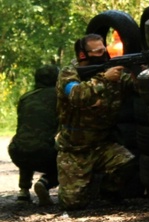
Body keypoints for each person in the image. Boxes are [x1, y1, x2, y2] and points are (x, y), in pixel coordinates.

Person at [56, 33, 140, 210]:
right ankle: (84, 185)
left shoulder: (111, 70)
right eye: (97, 51)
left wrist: (138, 73)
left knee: (127, 163)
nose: (102, 54)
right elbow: (76, 95)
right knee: (72, 204)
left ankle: (106, 191)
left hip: (102, 145)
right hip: (74, 150)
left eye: (104, 49)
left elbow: (136, 88)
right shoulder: (69, 73)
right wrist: (104, 79)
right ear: (82, 55)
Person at [8, 64, 59, 206]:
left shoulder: (25, 98)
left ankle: (23, 191)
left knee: (27, 141)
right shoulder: (59, 97)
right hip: (44, 154)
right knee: (69, 159)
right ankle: (46, 182)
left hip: (17, 152)